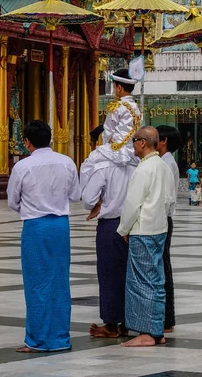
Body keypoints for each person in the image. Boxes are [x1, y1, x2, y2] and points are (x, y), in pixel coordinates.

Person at [7, 120, 80, 353]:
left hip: (35, 226)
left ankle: (37, 340)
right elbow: (76, 195)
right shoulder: (66, 162)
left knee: (36, 283)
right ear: (50, 138)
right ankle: (59, 338)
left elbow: (12, 201)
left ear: (27, 142)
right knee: (59, 281)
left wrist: (30, 209)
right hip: (60, 226)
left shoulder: (22, 167)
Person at [117, 126, 175, 347]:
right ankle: (157, 329)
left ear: (142, 143)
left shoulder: (144, 169)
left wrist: (124, 229)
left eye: (134, 140)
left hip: (143, 230)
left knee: (141, 282)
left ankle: (146, 332)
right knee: (156, 280)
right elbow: (169, 200)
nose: (133, 144)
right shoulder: (163, 166)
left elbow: (132, 204)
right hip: (159, 227)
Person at [82, 130, 136, 339]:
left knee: (109, 274)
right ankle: (128, 321)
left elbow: (87, 198)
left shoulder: (103, 167)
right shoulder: (137, 165)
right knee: (130, 274)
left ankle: (112, 324)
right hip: (134, 224)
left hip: (111, 225)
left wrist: (98, 203)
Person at [80, 69, 141, 194]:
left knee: (88, 164)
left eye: (114, 87)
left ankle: (86, 194)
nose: (114, 90)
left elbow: (108, 130)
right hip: (131, 149)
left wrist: (104, 145)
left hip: (116, 148)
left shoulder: (117, 106)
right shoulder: (136, 107)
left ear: (119, 88)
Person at [157, 125, 181, 333]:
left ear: (163, 141)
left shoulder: (166, 164)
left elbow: (165, 198)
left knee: (163, 266)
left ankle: (167, 318)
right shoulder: (163, 162)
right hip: (163, 218)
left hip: (163, 219)